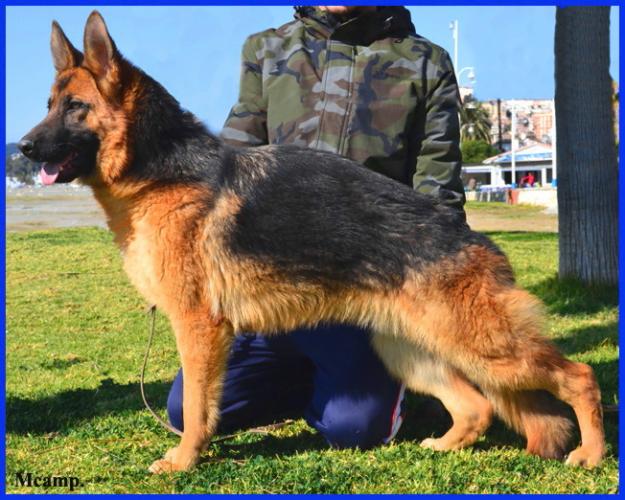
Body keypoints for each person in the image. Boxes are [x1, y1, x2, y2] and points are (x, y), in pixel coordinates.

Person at [167, 5, 464, 449]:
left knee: (355, 429)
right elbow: (223, 169)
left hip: (364, 294)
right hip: (271, 289)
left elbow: (438, 199)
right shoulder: (266, 48)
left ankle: (379, 383)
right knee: (184, 411)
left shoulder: (427, 62)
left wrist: (438, 319)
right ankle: (315, 383)